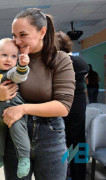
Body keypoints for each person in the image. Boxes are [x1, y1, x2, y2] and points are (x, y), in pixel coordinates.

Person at [0, 8, 75, 180]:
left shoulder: (60, 59)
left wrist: (23, 109)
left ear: (42, 32)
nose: (17, 41)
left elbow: (63, 107)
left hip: (50, 137)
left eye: (22, 35)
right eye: (14, 35)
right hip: (13, 135)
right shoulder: (12, 57)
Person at [0, 38, 30, 178]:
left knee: (19, 134)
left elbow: (20, 75)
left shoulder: (11, 72)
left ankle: (24, 159)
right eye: (4, 55)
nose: (9, 59)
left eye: (13, 56)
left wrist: (22, 65)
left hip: (14, 112)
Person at [56, 31, 89, 180]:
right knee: (78, 141)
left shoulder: (56, 62)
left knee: (60, 142)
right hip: (78, 105)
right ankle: (79, 174)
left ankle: (64, 172)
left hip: (61, 104)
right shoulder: (80, 62)